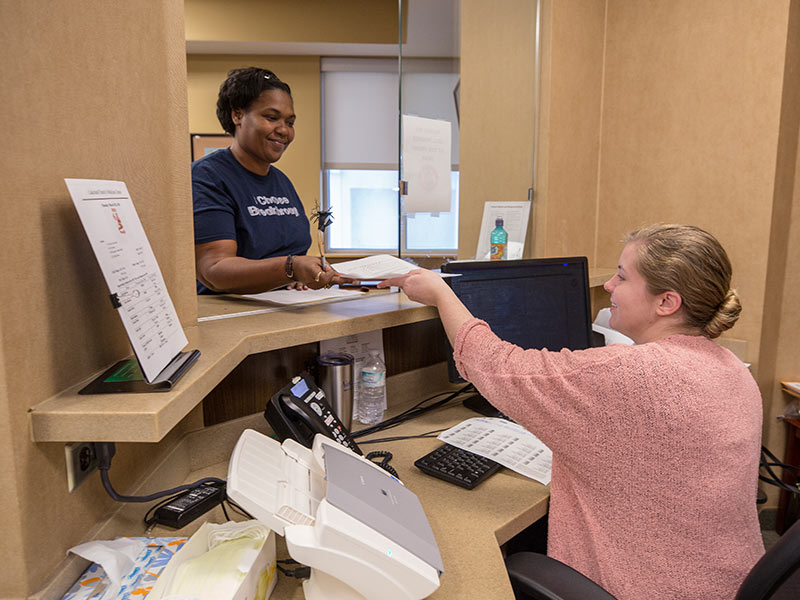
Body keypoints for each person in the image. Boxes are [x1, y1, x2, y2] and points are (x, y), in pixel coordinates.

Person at [378, 224, 764, 600]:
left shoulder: (629, 375)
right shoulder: (732, 370)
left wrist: (441, 293)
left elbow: (496, 364)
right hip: (732, 581)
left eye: (622, 277)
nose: (609, 287)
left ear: (667, 302)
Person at [192, 67, 348, 294]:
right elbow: (214, 270)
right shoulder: (208, 178)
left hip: (283, 310)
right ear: (237, 115)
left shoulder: (281, 182)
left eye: (290, 122)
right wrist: (290, 269)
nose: (284, 130)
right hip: (230, 318)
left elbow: (287, 262)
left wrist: (297, 277)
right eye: (271, 117)